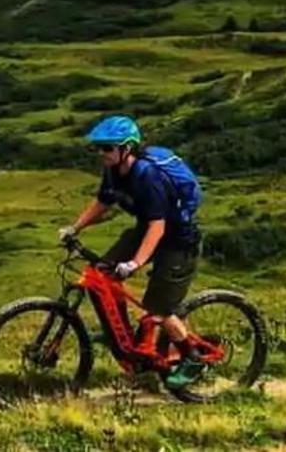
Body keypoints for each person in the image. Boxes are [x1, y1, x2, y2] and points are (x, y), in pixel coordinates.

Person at [58, 114, 206, 387]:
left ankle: (192, 357)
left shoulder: (147, 176)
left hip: (178, 240)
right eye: (98, 148)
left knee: (158, 308)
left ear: (127, 148)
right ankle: (121, 336)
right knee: (100, 275)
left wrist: (136, 263)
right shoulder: (113, 170)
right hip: (146, 230)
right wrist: (75, 228)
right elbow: (102, 202)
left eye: (107, 148)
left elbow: (157, 227)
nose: (101, 153)